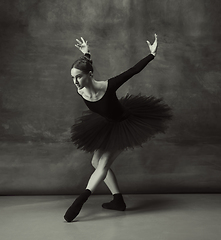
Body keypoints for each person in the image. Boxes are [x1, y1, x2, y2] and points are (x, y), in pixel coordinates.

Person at [64, 34, 172, 222]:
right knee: (95, 164)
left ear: (90, 75)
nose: (75, 82)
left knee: (103, 164)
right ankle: (118, 201)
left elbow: (133, 71)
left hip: (124, 124)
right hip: (107, 124)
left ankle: (80, 201)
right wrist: (86, 53)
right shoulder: (80, 89)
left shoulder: (108, 86)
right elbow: (86, 65)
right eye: (73, 78)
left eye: (78, 77)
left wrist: (152, 55)